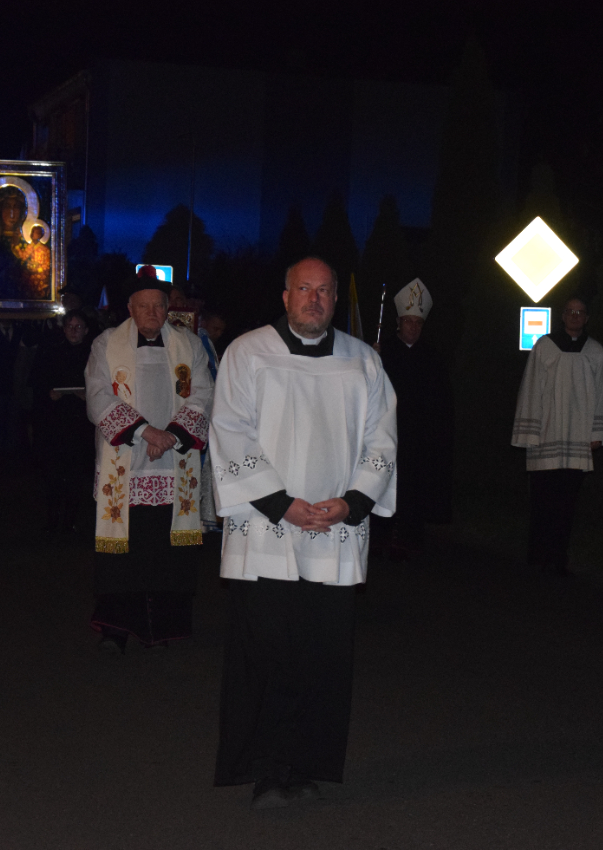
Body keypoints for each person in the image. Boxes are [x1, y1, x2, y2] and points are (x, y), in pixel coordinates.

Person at [209, 257, 398, 808]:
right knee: (267, 654)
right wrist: (279, 503)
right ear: (285, 296)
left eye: (324, 291)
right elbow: (230, 431)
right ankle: (266, 769)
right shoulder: (248, 352)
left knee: (322, 655)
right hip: (266, 530)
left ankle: (306, 763)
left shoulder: (363, 361)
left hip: (335, 528)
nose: (314, 299)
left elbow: (382, 439)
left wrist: (353, 501)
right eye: (303, 289)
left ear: (335, 299)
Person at [84, 270, 213, 652]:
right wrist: (146, 432)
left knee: (165, 550)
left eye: (159, 305)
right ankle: (117, 629)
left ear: (167, 307)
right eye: (144, 306)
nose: (152, 312)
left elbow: (204, 394)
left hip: (174, 461)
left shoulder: (189, 344)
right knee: (125, 550)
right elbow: (98, 395)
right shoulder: (107, 344)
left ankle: (163, 628)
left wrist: (170, 435)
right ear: (130, 308)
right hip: (126, 460)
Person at [511, 297, 603, 576]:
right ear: (563, 316)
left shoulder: (595, 351)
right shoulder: (544, 347)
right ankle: (539, 555)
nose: (575, 316)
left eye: (580, 312)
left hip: (577, 439)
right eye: (570, 311)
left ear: (587, 318)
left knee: (566, 504)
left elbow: (602, 393)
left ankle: (559, 557)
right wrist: (530, 431)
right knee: (543, 500)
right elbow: (531, 389)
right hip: (547, 435)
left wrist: (598, 432)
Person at [376, 277, 453, 557]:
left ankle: (410, 539)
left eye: (418, 323)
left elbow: (440, 402)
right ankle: (382, 538)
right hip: (388, 433)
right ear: (399, 322)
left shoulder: (432, 358)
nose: (413, 327)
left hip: (419, 437)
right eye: (408, 321)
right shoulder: (383, 353)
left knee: (415, 488)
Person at [30, 311, 94, 536]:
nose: (74, 331)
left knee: (75, 474)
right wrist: (49, 393)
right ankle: (52, 519)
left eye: (79, 327)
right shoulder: (50, 352)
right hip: (55, 423)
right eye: (70, 326)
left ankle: (69, 521)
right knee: (53, 474)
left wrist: (88, 395)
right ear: (64, 329)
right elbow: (37, 382)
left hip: (80, 424)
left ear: (86, 330)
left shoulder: (94, 355)